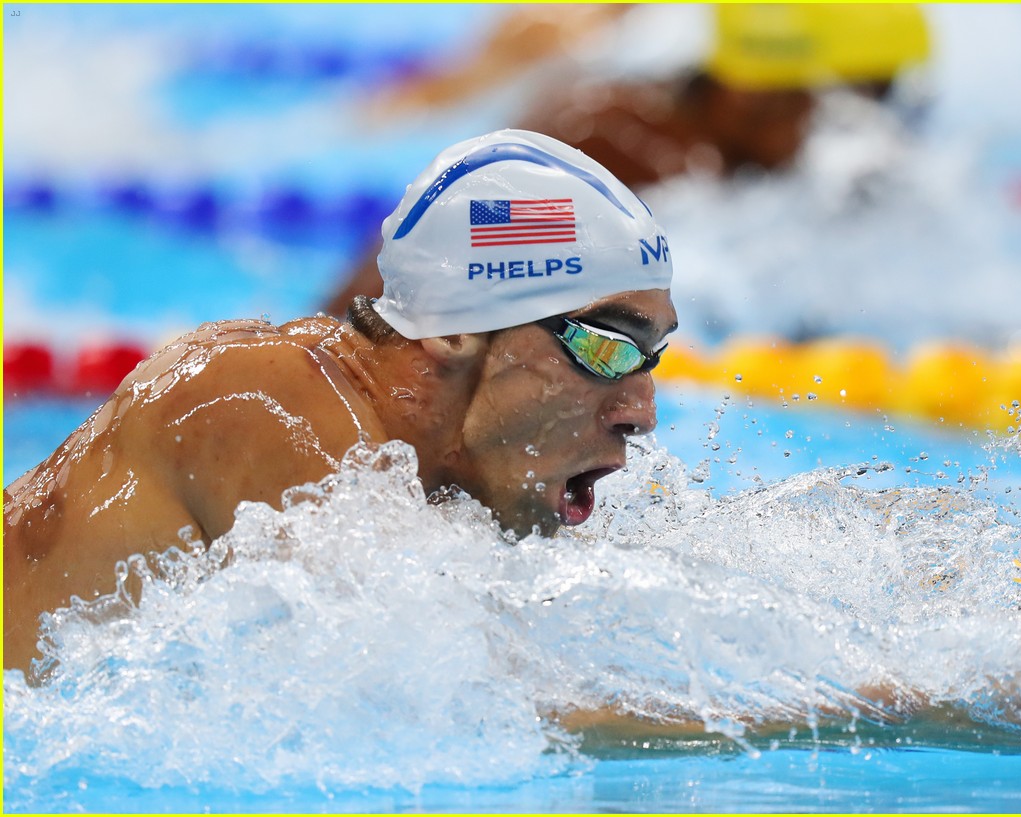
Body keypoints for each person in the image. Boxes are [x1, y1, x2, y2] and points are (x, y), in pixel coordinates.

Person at [3, 129, 678, 674]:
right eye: (608, 346)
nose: (642, 409)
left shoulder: (420, 482)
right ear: (454, 329)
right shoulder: (259, 400)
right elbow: (474, 700)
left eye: (652, 357)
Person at [322, 4, 932, 316]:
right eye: (863, 104)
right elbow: (384, 296)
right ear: (761, 95)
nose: (873, 136)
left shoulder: (742, 161)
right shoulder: (615, 145)